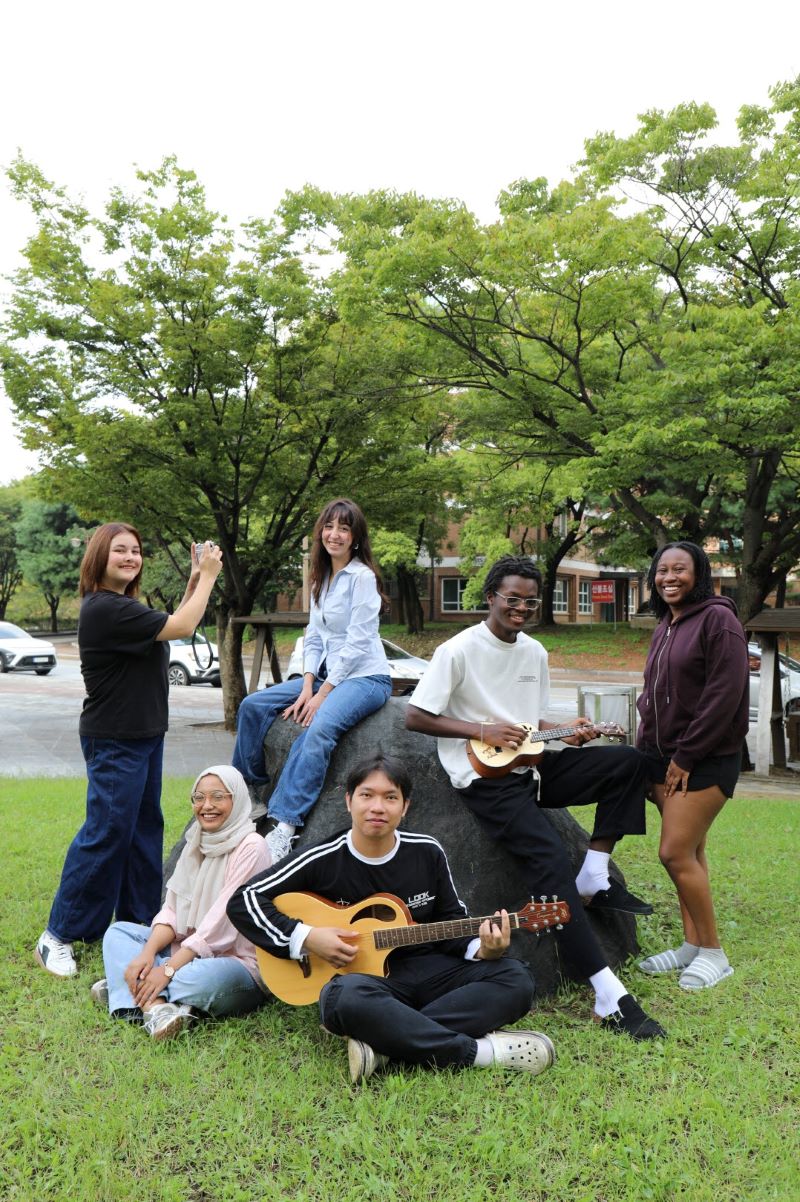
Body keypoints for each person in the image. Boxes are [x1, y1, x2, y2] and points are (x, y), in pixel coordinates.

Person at [404, 555, 666, 1041]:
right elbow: (417, 716)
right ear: (490, 598)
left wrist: (569, 733)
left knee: (630, 762)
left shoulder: (535, 653)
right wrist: (480, 728)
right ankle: (607, 992)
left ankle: (593, 873)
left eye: (530, 601)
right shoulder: (458, 650)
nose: (521, 608)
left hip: (536, 766)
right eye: (512, 599)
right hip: (487, 780)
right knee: (547, 858)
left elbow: (531, 722)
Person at [227, 754, 555, 1082]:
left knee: (516, 979)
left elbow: (452, 920)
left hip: (432, 975)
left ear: (405, 806)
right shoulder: (321, 857)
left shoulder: (426, 852)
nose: (377, 807)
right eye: (367, 795)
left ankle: (384, 1046)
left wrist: (486, 950)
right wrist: (306, 937)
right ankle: (482, 1054)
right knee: (343, 998)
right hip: (366, 984)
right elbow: (245, 900)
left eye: (390, 797)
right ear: (349, 801)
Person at [35, 522, 223, 978]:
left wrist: (195, 579)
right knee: (107, 832)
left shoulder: (126, 609)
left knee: (142, 834)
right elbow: (183, 624)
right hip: (115, 738)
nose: (130, 557)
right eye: (120, 550)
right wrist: (212, 578)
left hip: (143, 735)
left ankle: (138, 927)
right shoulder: (103, 609)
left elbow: (170, 627)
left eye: (136, 551)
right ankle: (58, 935)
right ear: (99, 556)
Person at [232, 498, 392, 864]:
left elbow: (357, 643)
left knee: (319, 728)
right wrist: (307, 685)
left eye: (344, 528)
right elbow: (315, 637)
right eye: (329, 526)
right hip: (323, 676)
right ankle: (249, 792)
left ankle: (285, 826)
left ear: (355, 538)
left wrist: (324, 694)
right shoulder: (321, 577)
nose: (334, 534)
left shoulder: (362, 578)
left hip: (365, 677)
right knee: (252, 706)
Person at [636, 542, 748, 991]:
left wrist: (685, 756)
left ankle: (715, 954)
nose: (669, 578)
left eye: (679, 569)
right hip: (663, 761)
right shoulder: (666, 624)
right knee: (692, 853)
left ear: (698, 573)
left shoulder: (719, 620)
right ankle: (691, 946)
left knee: (674, 852)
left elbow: (724, 695)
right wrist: (648, 758)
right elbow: (652, 697)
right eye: (661, 570)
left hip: (705, 759)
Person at [92, 765, 272, 1039]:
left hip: (235, 964)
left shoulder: (253, 847)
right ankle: (156, 1007)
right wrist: (147, 954)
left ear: (236, 799)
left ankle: (126, 986)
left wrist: (167, 969)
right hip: (185, 951)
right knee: (118, 932)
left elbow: (221, 925)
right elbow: (173, 911)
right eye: (198, 797)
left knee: (194, 978)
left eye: (217, 797)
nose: (206, 806)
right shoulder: (196, 841)